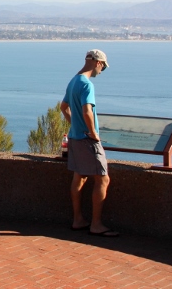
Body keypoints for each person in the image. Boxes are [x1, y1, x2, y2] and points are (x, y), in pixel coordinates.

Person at [60, 49, 119, 237]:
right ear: (98, 63)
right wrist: (93, 134)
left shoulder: (73, 81)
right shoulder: (87, 84)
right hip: (87, 140)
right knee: (103, 178)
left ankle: (78, 220)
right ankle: (96, 224)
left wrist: (75, 125)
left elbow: (63, 107)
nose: (101, 71)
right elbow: (87, 111)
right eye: (103, 67)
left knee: (79, 177)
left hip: (75, 138)